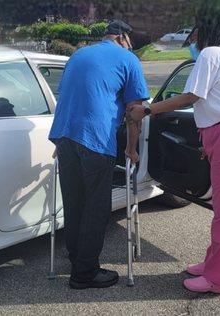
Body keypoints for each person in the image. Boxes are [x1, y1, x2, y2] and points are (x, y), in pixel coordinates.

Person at [129, 18, 220, 293]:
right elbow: (210, 101)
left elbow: (191, 97)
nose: (191, 42)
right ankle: (215, 264)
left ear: (204, 34)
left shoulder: (210, 53)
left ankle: (218, 279)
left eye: (193, 36)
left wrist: (146, 111)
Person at [49, 20, 149, 289]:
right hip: (95, 139)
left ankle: (76, 260)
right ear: (122, 37)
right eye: (130, 40)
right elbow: (134, 110)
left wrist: (61, 140)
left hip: (65, 137)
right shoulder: (128, 59)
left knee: (74, 204)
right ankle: (84, 273)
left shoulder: (78, 54)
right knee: (95, 208)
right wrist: (130, 148)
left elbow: (69, 96)